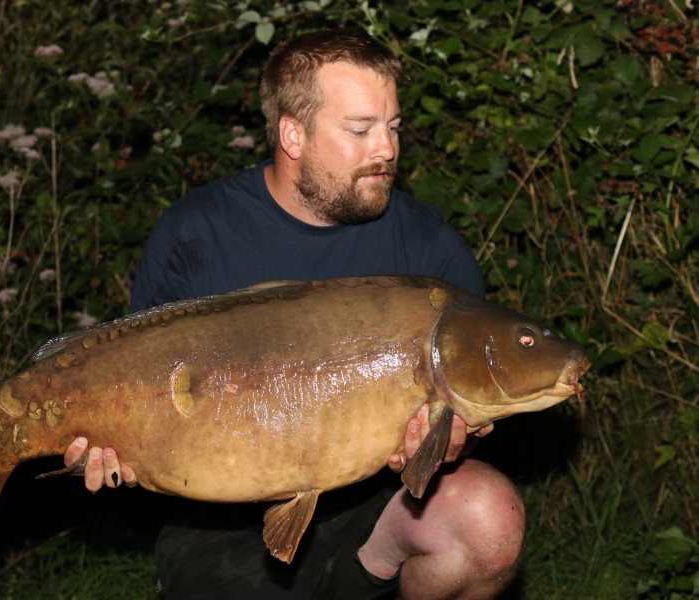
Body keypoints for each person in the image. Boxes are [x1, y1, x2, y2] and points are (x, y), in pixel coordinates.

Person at [63, 29, 524, 599]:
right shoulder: (194, 233)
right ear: (293, 134)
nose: (387, 148)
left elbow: (464, 409)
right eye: (360, 129)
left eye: (394, 126)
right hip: (220, 522)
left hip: (379, 502)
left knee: (487, 517)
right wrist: (111, 443)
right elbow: (140, 389)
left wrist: (454, 439)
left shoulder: (429, 251)